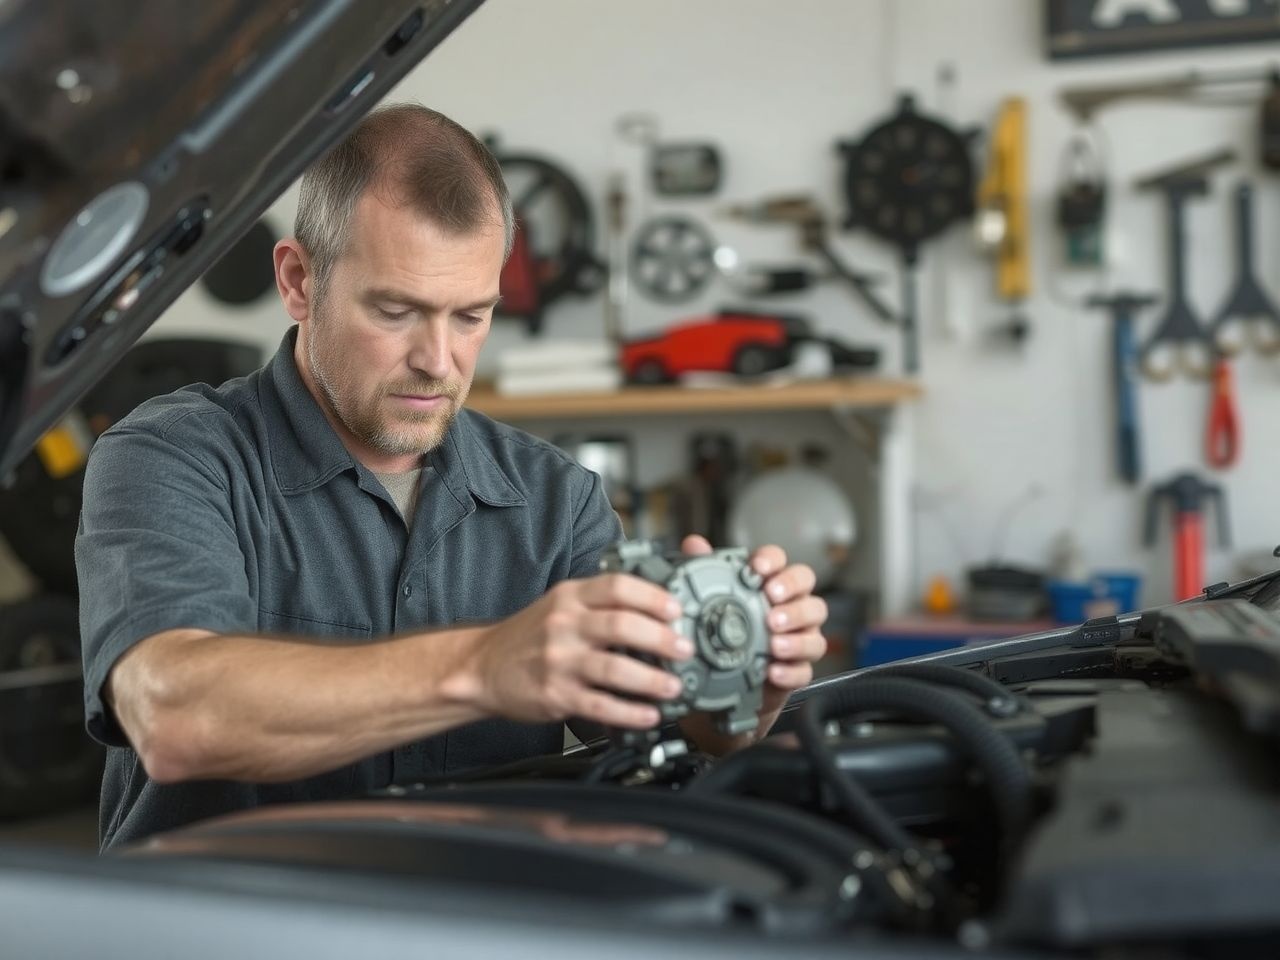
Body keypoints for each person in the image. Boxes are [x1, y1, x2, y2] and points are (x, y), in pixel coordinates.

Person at [75, 104, 828, 851]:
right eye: (396, 311)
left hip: (472, 910)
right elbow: (174, 715)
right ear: (300, 280)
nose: (438, 361)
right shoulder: (172, 455)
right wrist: (484, 666)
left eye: (471, 316)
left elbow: (657, 732)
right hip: (223, 912)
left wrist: (736, 694)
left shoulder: (558, 502)